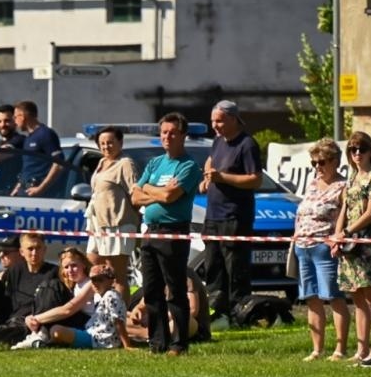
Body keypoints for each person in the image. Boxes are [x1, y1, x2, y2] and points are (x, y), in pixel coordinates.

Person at [130, 112, 200, 355]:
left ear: (183, 135)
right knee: (151, 290)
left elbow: (172, 197)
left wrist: (149, 190)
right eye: (163, 133)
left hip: (173, 233)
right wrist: (155, 191)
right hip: (150, 232)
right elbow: (135, 196)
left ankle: (179, 343)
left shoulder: (189, 166)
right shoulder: (155, 163)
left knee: (175, 290)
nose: (167, 137)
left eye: (172, 132)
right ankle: (157, 342)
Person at [199, 100, 262, 323]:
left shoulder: (247, 144)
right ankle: (218, 314)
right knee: (213, 268)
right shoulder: (218, 142)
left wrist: (222, 177)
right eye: (213, 121)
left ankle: (240, 315)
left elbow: (255, 179)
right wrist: (207, 178)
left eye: (220, 120)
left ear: (234, 119)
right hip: (213, 215)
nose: (215, 125)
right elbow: (210, 161)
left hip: (235, 217)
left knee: (235, 270)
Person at [331, 131, 371, 363]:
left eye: (361, 149)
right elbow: (345, 207)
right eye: (352, 149)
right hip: (348, 244)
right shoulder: (352, 177)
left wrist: (348, 232)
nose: (356, 154)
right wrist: (338, 235)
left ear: (370, 151)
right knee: (356, 296)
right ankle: (361, 350)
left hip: (365, 243)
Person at [292, 137, 349, 361]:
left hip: (324, 248)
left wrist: (336, 238)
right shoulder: (312, 184)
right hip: (302, 246)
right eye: (314, 163)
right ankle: (317, 349)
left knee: (333, 296)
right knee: (311, 298)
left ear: (335, 161)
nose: (318, 167)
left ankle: (340, 349)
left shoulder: (342, 187)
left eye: (322, 162)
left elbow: (343, 218)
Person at [16, 262, 131, 350]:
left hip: (100, 339)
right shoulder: (99, 294)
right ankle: (42, 339)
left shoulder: (111, 296)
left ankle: (41, 338)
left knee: (57, 331)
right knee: (55, 330)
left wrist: (127, 345)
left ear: (111, 281)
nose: (95, 283)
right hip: (92, 332)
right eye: (93, 280)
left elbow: (118, 322)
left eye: (100, 280)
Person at [84, 125, 137, 301]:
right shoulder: (101, 163)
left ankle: (121, 317)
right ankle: (100, 310)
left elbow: (135, 193)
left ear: (120, 143)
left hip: (118, 225)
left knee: (116, 275)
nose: (106, 146)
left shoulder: (125, 163)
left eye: (110, 142)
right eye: (103, 143)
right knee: (93, 268)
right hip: (98, 225)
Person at [12, 100, 63, 197]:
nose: (15, 121)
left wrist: (40, 188)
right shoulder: (28, 138)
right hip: (25, 191)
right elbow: (28, 167)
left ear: (22, 117)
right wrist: (18, 187)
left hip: (39, 195)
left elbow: (59, 164)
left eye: (15, 117)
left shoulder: (46, 134)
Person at [0, 104, 24, 196]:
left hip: (12, 194)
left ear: (15, 121)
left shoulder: (19, 141)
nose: (2, 125)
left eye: (7, 121)